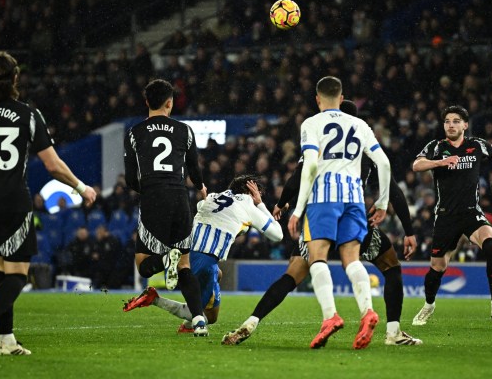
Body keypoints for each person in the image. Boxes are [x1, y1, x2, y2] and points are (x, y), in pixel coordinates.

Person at [222, 100, 422, 346]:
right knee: (391, 267)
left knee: (292, 276)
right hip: (354, 216)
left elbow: (297, 178)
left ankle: (251, 322)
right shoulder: (362, 148)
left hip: (319, 218)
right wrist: (408, 230)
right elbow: (394, 191)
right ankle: (393, 333)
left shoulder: (317, 144)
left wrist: (283, 204)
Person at [0, 51, 97, 357]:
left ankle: (7, 340)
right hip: (13, 201)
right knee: (17, 274)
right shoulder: (27, 114)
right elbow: (52, 165)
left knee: (1, 267)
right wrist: (80, 186)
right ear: (15, 79)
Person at [287, 76, 392, 350]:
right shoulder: (360, 124)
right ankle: (367, 311)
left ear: (318, 99)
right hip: (354, 198)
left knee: (317, 258)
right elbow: (383, 162)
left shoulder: (311, 123)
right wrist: (382, 203)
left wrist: (297, 209)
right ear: (342, 96)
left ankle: (330, 317)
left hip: (324, 197)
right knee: (352, 260)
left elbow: (309, 166)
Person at [123, 175, 282, 332]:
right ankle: (156, 300)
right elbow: (277, 235)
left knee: (217, 279)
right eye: (258, 193)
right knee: (202, 314)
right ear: (250, 192)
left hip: (186, 252)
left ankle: (186, 322)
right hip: (204, 259)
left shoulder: (213, 196)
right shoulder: (248, 204)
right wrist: (260, 205)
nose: (258, 197)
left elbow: (201, 205)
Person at [123, 78, 209, 336]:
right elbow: (194, 169)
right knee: (184, 264)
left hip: (154, 196)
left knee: (143, 262)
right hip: (181, 198)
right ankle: (199, 320)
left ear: (147, 101)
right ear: (170, 103)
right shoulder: (184, 130)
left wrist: (148, 190)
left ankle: (163, 259)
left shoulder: (135, 132)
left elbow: (130, 178)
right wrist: (201, 187)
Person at [411, 105, 492, 326]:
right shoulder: (436, 147)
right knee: (438, 266)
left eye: (456, 121)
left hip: (471, 213)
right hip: (446, 216)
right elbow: (417, 165)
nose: (451, 125)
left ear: (465, 125)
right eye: (447, 121)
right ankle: (429, 305)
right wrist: (440, 162)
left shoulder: (477, 145)